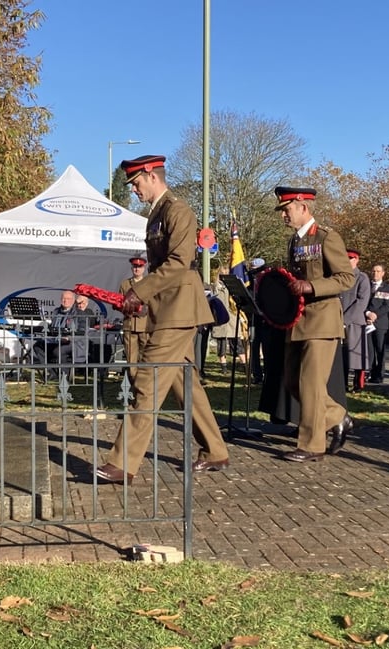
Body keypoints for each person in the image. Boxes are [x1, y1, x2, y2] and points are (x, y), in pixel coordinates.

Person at [94, 155, 229, 484]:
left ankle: (122, 464)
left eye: (136, 183)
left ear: (152, 176)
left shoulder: (177, 210)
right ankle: (215, 451)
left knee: (148, 381)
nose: (134, 189)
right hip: (168, 308)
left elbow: (179, 262)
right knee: (186, 384)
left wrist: (139, 292)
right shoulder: (156, 214)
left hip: (179, 308)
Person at [275, 186, 355, 461]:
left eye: (286, 210)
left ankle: (311, 446)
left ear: (303, 207)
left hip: (322, 320)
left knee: (310, 385)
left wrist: (311, 286)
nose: (283, 215)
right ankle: (337, 416)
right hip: (298, 321)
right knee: (292, 383)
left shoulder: (326, 237)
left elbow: (346, 278)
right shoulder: (294, 241)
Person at [340, 249, 371, 391]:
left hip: (354, 321)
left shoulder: (362, 278)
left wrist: (345, 319)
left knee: (357, 356)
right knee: (342, 355)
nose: (348, 260)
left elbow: (362, 302)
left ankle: (358, 385)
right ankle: (342, 383)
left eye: (351, 258)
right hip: (339, 320)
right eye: (346, 258)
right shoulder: (340, 276)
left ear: (356, 260)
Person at [118, 256, 149, 385]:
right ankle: (133, 381)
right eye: (135, 267)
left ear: (144, 268)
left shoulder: (148, 283)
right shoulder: (125, 284)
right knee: (131, 356)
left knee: (145, 354)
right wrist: (127, 309)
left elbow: (155, 302)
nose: (137, 269)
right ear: (132, 268)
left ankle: (144, 381)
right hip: (129, 324)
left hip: (145, 324)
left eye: (139, 267)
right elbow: (119, 303)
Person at [365, 263, 389, 383]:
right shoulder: (366, 286)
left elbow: (387, 306)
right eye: (373, 271)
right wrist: (367, 313)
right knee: (369, 350)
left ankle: (379, 374)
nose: (375, 273)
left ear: (383, 273)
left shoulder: (387, 288)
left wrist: (375, 315)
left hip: (380, 323)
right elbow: (362, 302)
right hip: (367, 322)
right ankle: (370, 372)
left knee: (380, 349)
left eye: (378, 271)